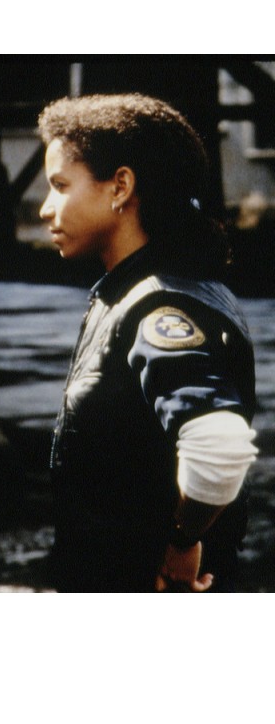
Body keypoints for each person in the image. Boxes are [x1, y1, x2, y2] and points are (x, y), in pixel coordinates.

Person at [37, 93, 258, 592]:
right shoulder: (163, 288)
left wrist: (182, 540)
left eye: (60, 185)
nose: (46, 208)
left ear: (120, 187)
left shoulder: (158, 305)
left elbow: (220, 444)